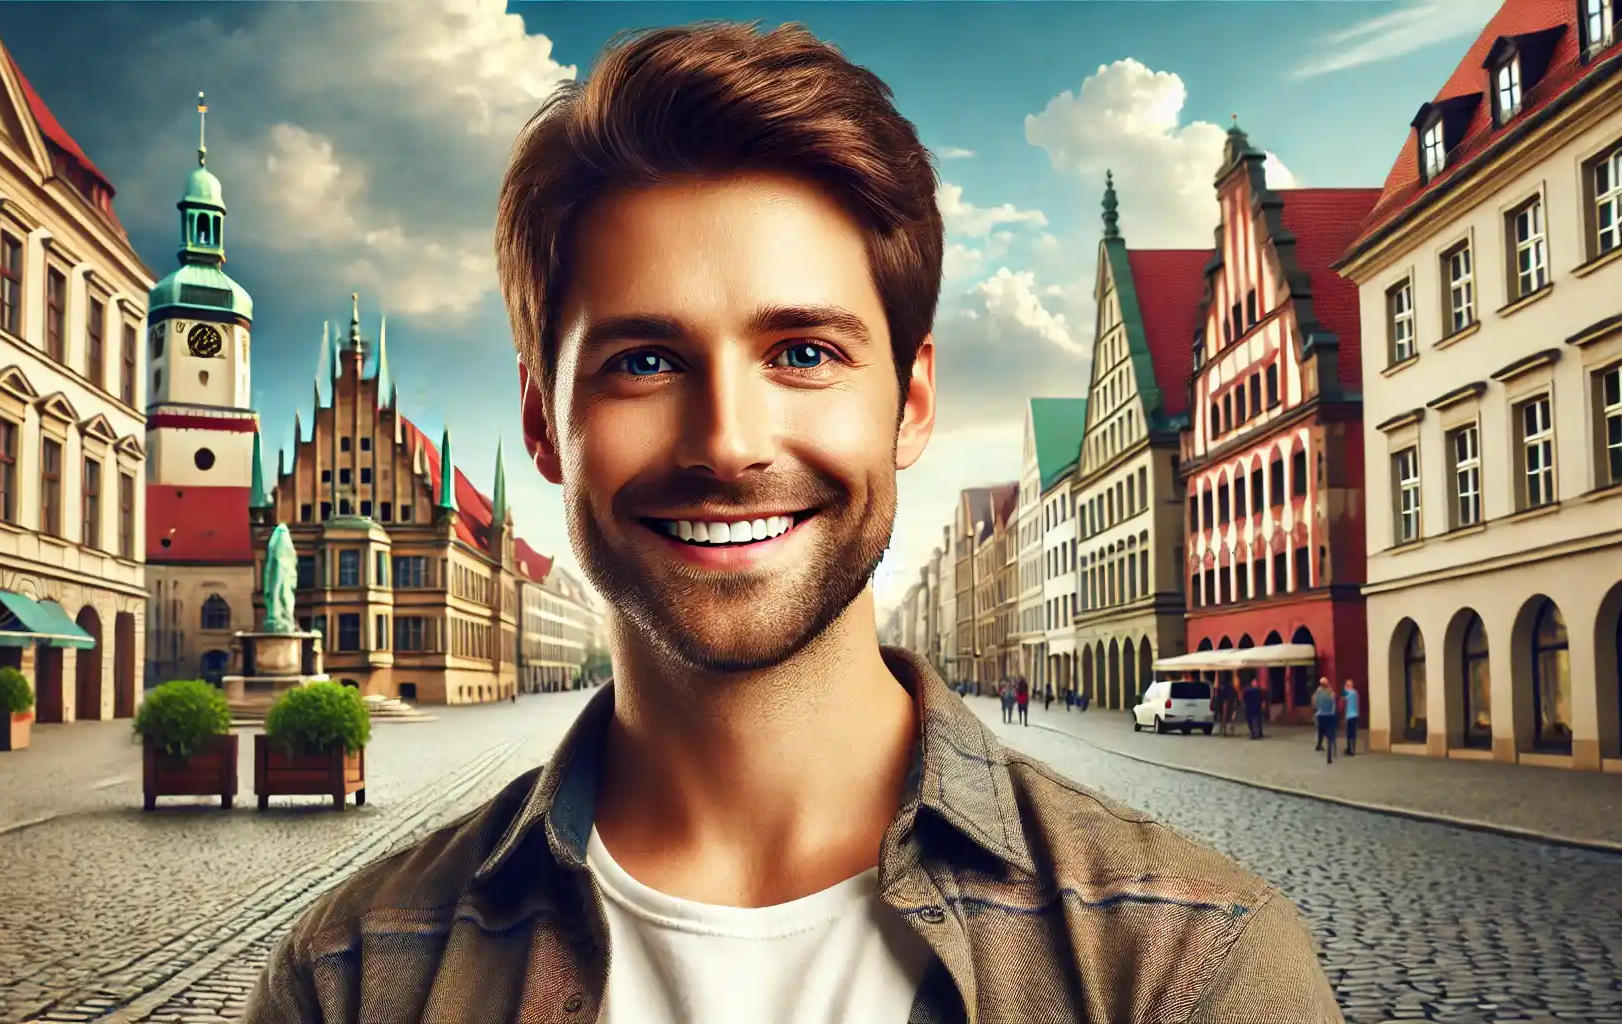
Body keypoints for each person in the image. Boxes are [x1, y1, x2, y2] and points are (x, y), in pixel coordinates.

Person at [245, 23, 1339, 1023]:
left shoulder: (1187, 967)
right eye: (644, 361)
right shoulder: (346, 978)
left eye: (803, 354)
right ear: (544, 423)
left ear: (910, 401)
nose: (729, 442)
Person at [1313, 677, 1339, 764]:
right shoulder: (1330, 692)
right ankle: (1329, 755)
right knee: (1330, 736)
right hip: (1330, 715)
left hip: (1320, 715)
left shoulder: (1318, 692)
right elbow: (1333, 702)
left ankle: (1319, 744)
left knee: (1320, 731)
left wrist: (1317, 709)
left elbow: (1314, 702)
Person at [1342, 678, 1360, 756]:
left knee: (1349, 733)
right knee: (1353, 733)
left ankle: (1350, 749)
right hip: (1355, 715)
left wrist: (1345, 689)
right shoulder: (1355, 693)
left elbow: (1342, 697)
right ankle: (1351, 748)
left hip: (1350, 716)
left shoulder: (1349, 693)